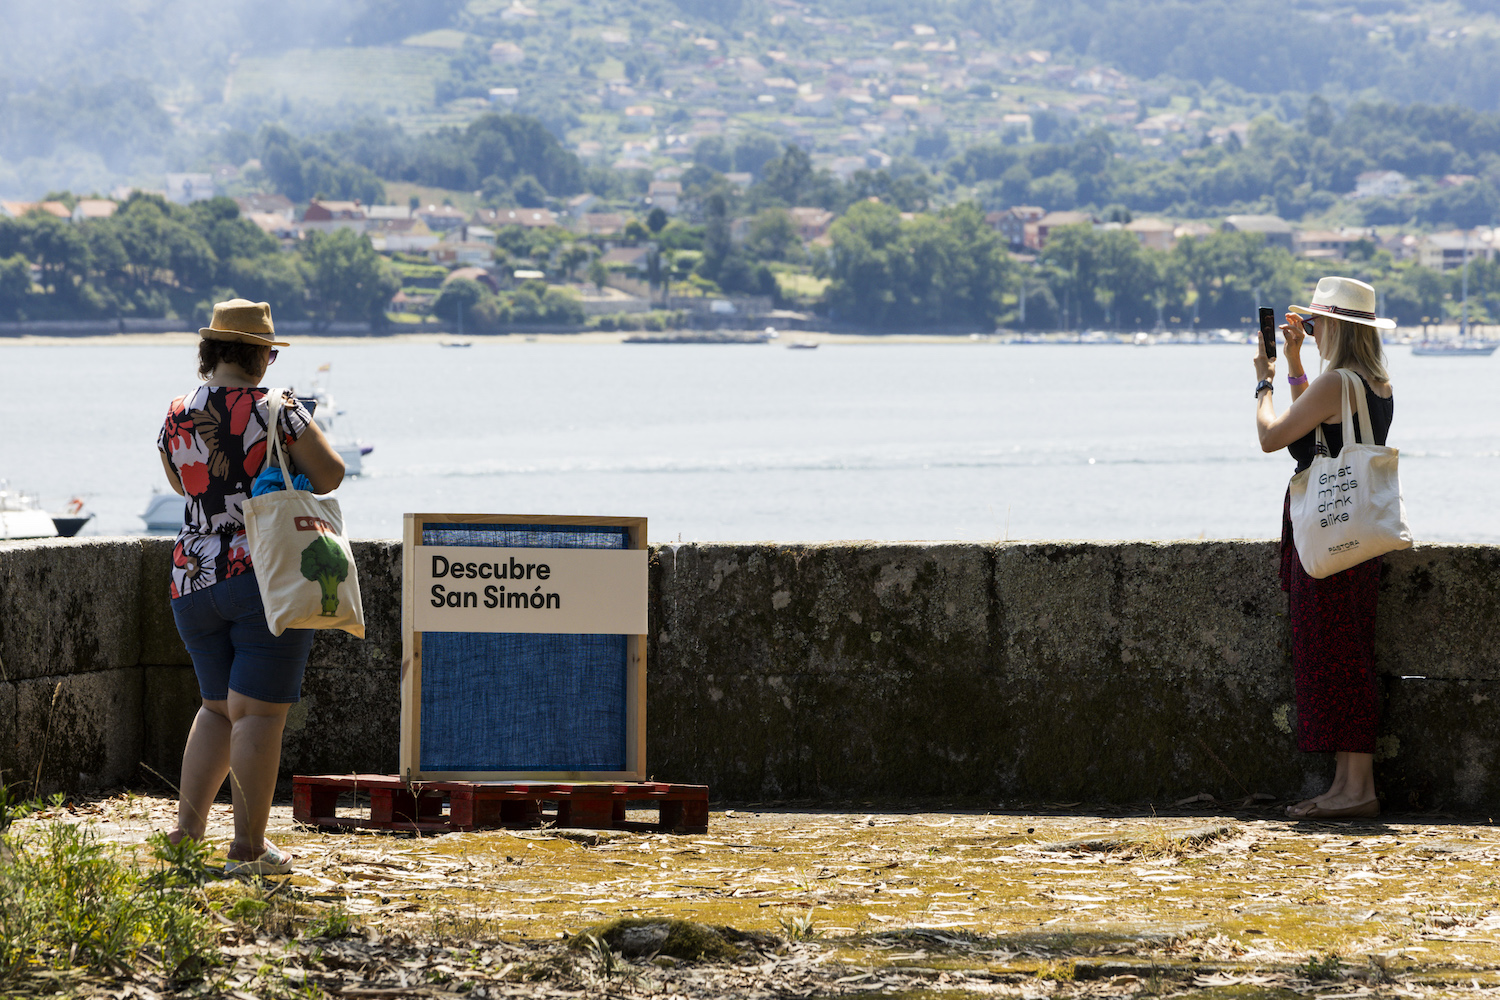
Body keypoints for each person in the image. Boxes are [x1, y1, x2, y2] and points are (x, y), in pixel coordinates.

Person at [158, 299, 345, 874]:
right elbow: (332, 473)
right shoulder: (277, 409)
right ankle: (248, 848)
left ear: (210, 351)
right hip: (263, 574)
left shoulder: (176, 411)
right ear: (258, 356)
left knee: (216, 709)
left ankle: (186, 838)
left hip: (192, 575)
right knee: (259, 716)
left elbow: (180, 482)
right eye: (268, 350)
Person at [1252, 276, 1396, 820]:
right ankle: (1345, 785)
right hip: (1353, 528)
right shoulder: (1371, 382)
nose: (1310, 332)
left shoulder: (1337, 382)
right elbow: (1312, 437)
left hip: (1328, 529)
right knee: (1342, 652)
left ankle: (1358, 790)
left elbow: (1272, 438)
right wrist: (1293, 365)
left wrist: (1262, 383)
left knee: (1338, 656)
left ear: (1335, 327)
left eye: (1314, 325)